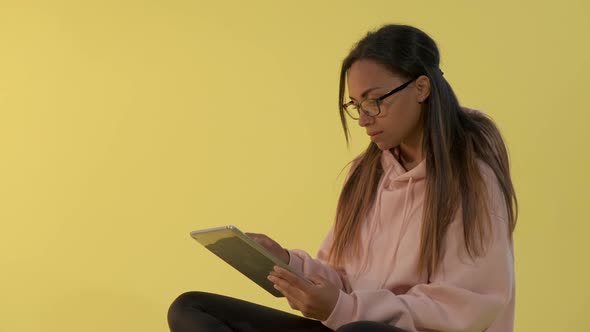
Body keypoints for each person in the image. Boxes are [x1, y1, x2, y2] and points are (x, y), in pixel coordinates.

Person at [167, 24, 517, 332]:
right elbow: (344, 280)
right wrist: (289, 264)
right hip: (350, 326)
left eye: (375, 101)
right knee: (191, 308)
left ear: (422, 88)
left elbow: (467, 310)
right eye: (356, 105)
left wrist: (345, 310)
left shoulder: (472, 179)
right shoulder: (366, 176)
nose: (364, 119)